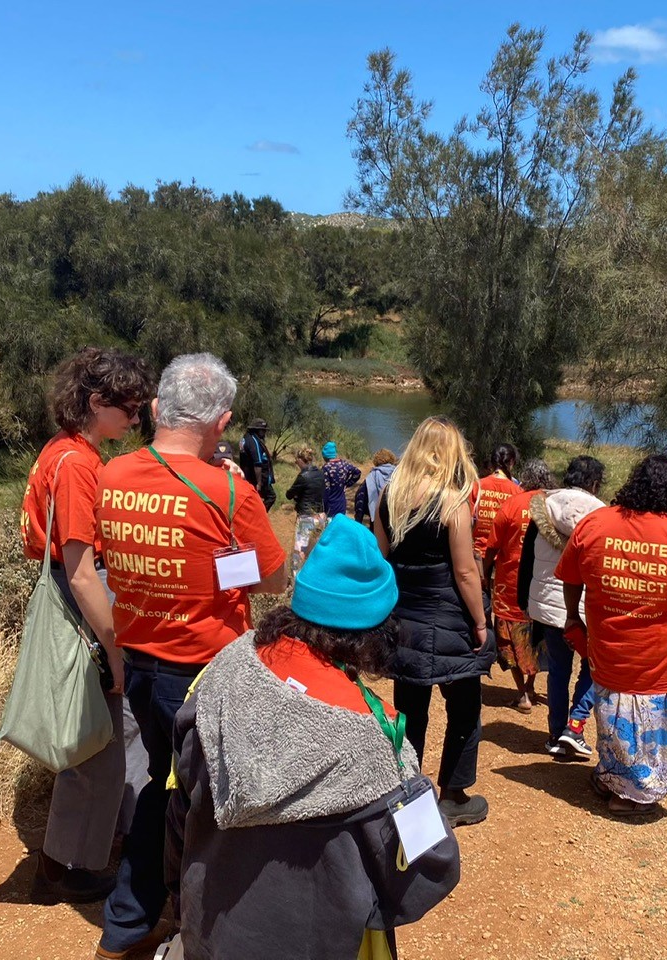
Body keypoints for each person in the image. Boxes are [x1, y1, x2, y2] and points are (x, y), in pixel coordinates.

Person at [165, 517, 460, 958]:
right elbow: (429, 869)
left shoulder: (220, 677)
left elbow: (177, 814)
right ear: (376, 630)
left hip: (212, 935)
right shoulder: (376, 740)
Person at [94, 353, 287, 960]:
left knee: (161, 782)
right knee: (211, 798)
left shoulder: (112, 474)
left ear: (154, 410)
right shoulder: (230, 491)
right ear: (222, 421)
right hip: (206, 674)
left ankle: (129, 922)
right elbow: (274, 580)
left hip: (139, 667)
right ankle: (202, 924)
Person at [19, 346, 154, 905]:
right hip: (83, 603)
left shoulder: (63, 450)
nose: (135, 419)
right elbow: (80, 572)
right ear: (96, 402)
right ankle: (64, 865)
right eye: (128, 407)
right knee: (93, 744)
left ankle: (108, 837)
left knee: (109, 736)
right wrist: (116, 649)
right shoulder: (77, 464)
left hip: (72, 595)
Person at [555, 455, 667, 815]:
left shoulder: (595, 524)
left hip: (608, 652)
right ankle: (629, 795)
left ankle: (608, 776)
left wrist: (574, 616)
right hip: (660, 659)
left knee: (612, 720)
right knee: (649, 730)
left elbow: (569, 576)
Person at [375, 417, 494, 828]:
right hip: (448, 619)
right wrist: (480, 622)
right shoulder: (452, 501)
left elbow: (381, 557)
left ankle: (406, 791)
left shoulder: (390, 495)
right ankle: (454, 795)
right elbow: (465, 573)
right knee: (464, 706)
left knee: (410, 711)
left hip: (404, 618)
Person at [517, 455, 605, 759]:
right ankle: (575, 725)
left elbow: (526, 558)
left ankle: (555, 735)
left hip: (546, 605)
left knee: (557, 669)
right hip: (586, 608)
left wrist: (523, 600)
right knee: (595, 668)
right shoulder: (602, 516)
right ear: (594, 484)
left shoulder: (544, 508)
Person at [482, 458, 553, 713]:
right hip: (542, 589)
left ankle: (522, 692)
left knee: (509, 640)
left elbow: (491, 548)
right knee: (536, 638)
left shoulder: (511, 505)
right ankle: (531, 686)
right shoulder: (553, 506)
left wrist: (485, 572)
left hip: (509, 587)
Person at [286, 446, 326, 583]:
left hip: (306, 517)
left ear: (300, 459)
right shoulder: (320, 473)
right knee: (314, 550)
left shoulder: (303, 476)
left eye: (296, 459)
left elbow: (289, 494)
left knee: (299, 551)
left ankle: (296, 581)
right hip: (320, 516)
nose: (296, 462)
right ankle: (313, 579)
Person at [472, 443, 519, 559]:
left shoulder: (476, 486)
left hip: (477, 552)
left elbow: (468, 520)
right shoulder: (517, 491)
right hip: (503, 555)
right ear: (511, 462)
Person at [238, 419, 276, 512]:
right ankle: (258, 514)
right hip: (258, 478)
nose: (264, 433)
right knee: (271, 496)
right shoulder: (254, 441)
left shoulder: (245, 438)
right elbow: (257, 463)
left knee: (255, 499)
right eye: (263, 430)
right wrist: (259, 483)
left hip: (248, 477)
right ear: (256, 430)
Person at [321, 441, 361, 519]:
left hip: (330, 505)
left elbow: (326, 490)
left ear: (325, 456)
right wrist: (347, 483)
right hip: (341, 503)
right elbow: (357, 473)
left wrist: (323, 509)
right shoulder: (344, 464)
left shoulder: (326, 468)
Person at [364, 448, 398, 521]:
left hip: (377, 513)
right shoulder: (398, 473)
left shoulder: (372, 475)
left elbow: (362, 495)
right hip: (394, 513)